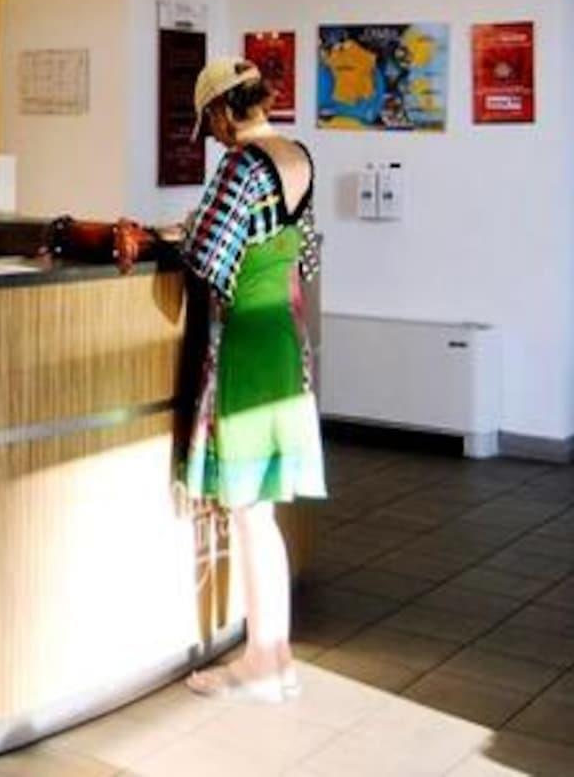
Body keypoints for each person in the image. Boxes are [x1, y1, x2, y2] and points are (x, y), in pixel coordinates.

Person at [173, 58, 326, 702]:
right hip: (285, 339)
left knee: (248, 511)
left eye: (209, 125)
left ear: (220, 112)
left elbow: (206, 255)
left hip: (245, 344)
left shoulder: (241, 166)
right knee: (262, 509)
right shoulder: (299, 156)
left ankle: (263, 660)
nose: (212, 138)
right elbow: (307, 253)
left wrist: (184, 230)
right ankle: (276, 655)